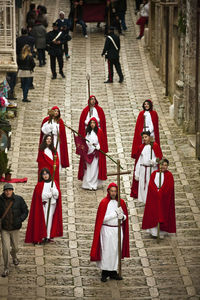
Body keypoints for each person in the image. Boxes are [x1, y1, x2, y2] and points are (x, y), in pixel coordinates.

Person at [90, 182, 129, 282]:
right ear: (108, 191)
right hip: (107, 230)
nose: (113, 193)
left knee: (116, 251)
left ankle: (113, 271)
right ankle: (105, 272)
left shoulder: (121, 202)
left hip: (117, 230)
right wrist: (114, 214)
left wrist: (122, 217)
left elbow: (125, 217)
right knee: (106, 251)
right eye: (112, 191)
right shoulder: (104, 203)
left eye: (115, 191)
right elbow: (101, 219)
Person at [25, 168, 62, 244]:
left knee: (49, 221)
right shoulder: (39, 185)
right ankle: (41, 236)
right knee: (43, 220)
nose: (45, 176)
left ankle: (47, 236)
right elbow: (38, 196)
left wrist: (54, 192)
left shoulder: (53, 183)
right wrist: (47, 195)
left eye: (47, 174)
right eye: (43, 174)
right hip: (42, 205)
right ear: (41, 176)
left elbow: (57, 195)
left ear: (49, 174)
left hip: (51, 205)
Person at [142, 159, 176, 238]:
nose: (163, 166)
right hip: (154, 197)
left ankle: (161, 232)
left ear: (167, 166)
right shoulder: (154, 173)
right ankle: (154, 232)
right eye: (162, 165)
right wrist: (156, 192)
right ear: (159, 165)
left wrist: (161, 192)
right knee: (153, 213)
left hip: (164, 198)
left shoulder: (169, 175)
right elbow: (151, 184)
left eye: (165, 165)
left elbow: (169, 187)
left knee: (162, 213)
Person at [0, 183, 28, 277]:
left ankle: (14, 255)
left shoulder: (19, 199)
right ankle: (6, 268)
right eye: (6, 190)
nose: (8, 192)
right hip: (4, 229)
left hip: (15, 228)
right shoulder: (0, 200)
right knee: (5, 249)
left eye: (9, 190)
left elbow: (25, 211)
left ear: (12, 191)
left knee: (16, 248)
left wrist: (20, 219)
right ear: (4, 191)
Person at [130, 131, 162, 203]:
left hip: (152, 169)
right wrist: (137, 173)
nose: (144, 139)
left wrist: (154, 161)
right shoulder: (141, 147)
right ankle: (145, 201)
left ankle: (151, 200)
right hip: (143, 169)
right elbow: (138, 161)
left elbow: (159, 158)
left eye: (146, 137)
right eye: (143, 137)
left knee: (150, 185)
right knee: (142, 185)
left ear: (149, 137)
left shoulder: (155, 146)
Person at [78, 117, 107, 190]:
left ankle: (93, 184)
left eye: (94, 123)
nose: (92, 124)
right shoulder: (87, 132)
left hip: (95, 153)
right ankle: (87, 184)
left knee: (94, 168)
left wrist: (98, 146)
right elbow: (84, 141)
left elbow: (102, 142)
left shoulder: (99, 132)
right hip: (88, 153)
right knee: (88, 168)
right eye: (91, 123)